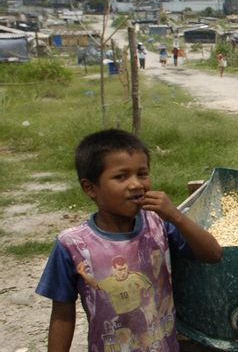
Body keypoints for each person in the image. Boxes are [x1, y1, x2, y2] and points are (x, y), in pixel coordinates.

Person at [36, 129, 222, 351]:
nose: (136, 184)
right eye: (121, 177)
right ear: (90, 188)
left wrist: (176, 216)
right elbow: (63, 315)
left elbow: (213, 254)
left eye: (142, 174)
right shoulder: (73, 245)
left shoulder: (159, 225)